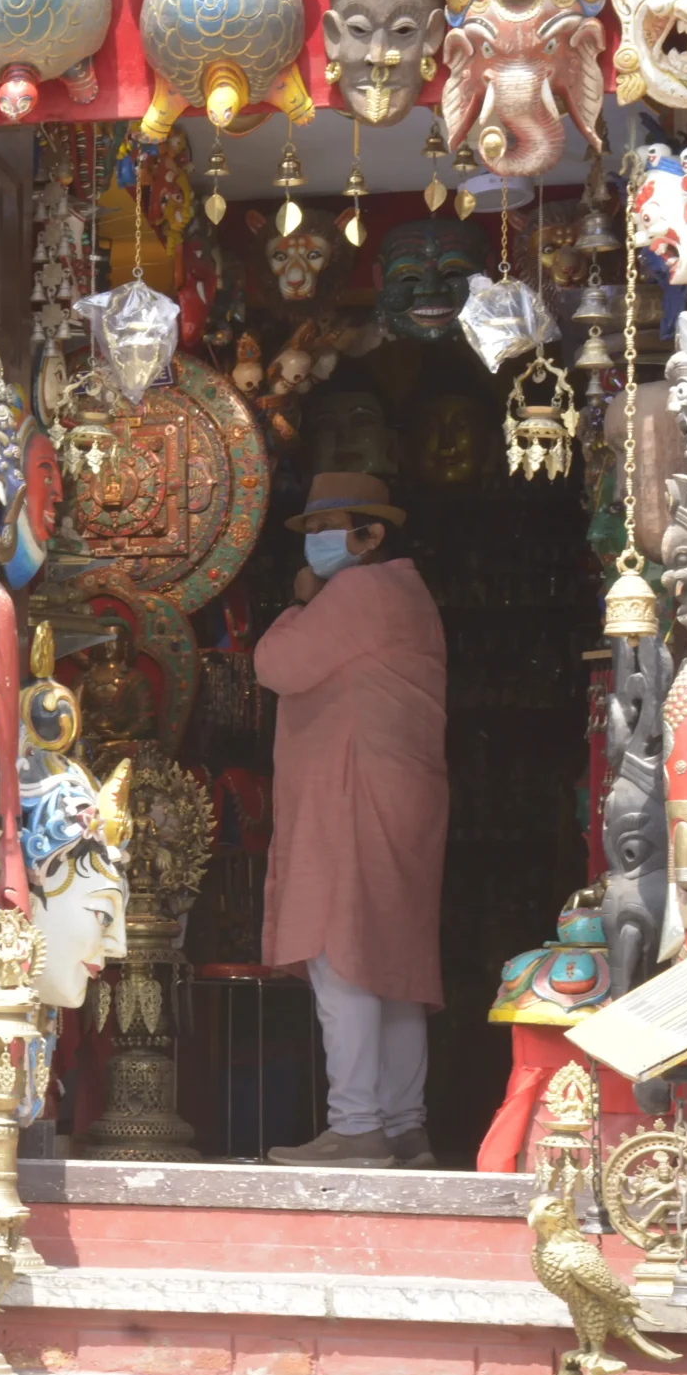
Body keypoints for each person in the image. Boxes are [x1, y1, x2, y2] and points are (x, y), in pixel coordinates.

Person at [258, 472, 447, 1169]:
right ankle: (403, 1124)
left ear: (372, 535)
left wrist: (295, 606)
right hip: (397, 798)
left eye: (328, 527)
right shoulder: (409, 592)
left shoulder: (362, 591)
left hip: (353, 793)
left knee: (343, 955)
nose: (315, 542)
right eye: (308, 531)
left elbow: (276, 664)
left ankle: (357, 1123)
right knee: (390, 963)